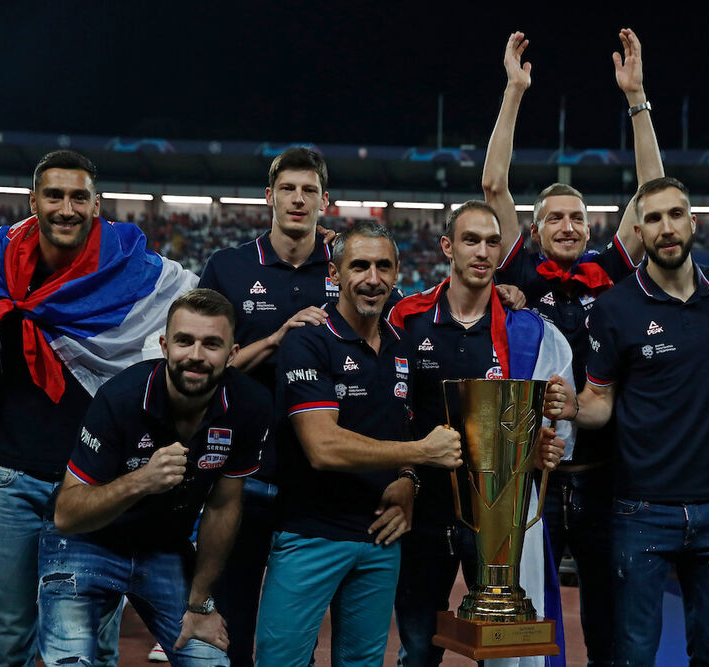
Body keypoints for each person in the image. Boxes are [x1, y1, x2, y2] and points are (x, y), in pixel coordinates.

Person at [0, 150, 196, 667]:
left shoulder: (131, 268)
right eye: (55, 195)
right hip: (16, 479)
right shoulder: (0, 260)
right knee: (11, 641)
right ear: (33, 201)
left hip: (95, 486)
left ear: (96, 204)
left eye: (78, 197)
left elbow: (198, 305)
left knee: (94, 649)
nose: (66, 208)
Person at [481, 28, 663, 665]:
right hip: (534, 478)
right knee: (531, 616)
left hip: (605, 479)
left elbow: (652, 196)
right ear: (535, 231)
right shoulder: (519, 274)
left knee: (608, 622)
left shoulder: (610, 271)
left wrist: (636, 100)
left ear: (590, 229)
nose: (567, 225)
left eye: (577, 218)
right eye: (554, 217)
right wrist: (514, 90)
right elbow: (494, 187)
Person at [556, 176, 709, 666]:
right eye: (654, 219)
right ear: (639, 232)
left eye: (675, 215)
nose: (667, 228)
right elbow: (600, 401)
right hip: (642, 510)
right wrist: (571, 407)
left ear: (693, 222)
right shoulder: (615, 307)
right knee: (635, 654)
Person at [255, 221, 463, 666]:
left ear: (397, 272)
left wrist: (407, 479)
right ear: (334, 274)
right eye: (360, 266)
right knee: (280, 661)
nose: (373, 278)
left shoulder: (402, 346)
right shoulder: (308, 341)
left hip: (379, 538)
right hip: (310, 534)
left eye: (383, 266)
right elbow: (323, 446)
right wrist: (420, 454)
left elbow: (402, 426)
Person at [38, 288, 268, 666]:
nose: (196, 355)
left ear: (232, 354)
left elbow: (223, 506)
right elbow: (66, 514)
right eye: (184, 341)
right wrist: (142, 480)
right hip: (86, 541)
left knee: (209, 661)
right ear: (164, 346)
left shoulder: (250, 405)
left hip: (164, 548)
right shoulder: (121, 398)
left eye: (211, 344)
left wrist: (200, 603)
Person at [387, 200, 572, 667]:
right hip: (423, 508)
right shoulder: (406, 319)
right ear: (447, 246)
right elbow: (389, 411)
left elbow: (552, 423)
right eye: (471, 240)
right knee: (417, 648)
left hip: (498, 514)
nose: (483, 252)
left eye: (492, 242)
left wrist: (545, 444)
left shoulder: (526, 330)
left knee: (503, 648)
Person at [199, 147, 344, 667]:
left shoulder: (348, 268)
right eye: (288, 189)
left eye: (309, 190)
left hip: (319, 481)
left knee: (295, 634)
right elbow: (201, 368)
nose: (298, 199)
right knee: (231, 621)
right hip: (242, 477)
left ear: (325, 202)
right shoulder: (228, 268)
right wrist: (277, 339)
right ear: (269, 196)